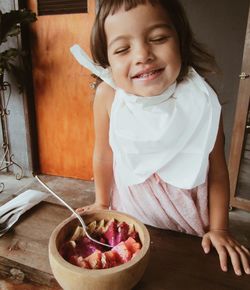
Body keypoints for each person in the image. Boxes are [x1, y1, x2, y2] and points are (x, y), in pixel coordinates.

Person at [70, 0, 250, 276]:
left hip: (188, 229)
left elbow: (216, 170)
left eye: (158, 38)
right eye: (122, 49)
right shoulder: (109, 95)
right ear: (107, 59)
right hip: (129, 222)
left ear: (181, 38)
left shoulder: (201, 98)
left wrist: (220, 229)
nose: (143, 55)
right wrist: (102, 203)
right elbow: (104, 154)